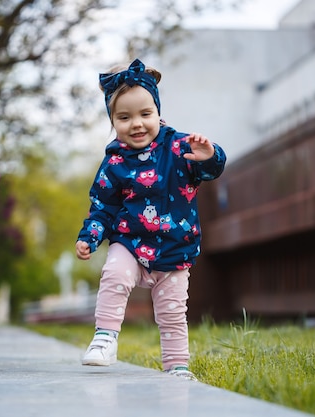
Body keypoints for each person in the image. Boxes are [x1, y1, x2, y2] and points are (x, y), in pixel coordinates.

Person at [75, 58, 226, 381]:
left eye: (146, 114)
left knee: (172, 313)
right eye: (124, 117)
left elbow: (210, 170)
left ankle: (177, 366)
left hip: (174, 247)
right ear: (113, 121)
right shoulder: (114, 162)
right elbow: (102, 205)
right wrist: (90, 236)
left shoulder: (178, 147)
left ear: (158, 111)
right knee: (114, 273)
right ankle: (105, 338)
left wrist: (210, 156)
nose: (137, 124)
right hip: (129, 242)